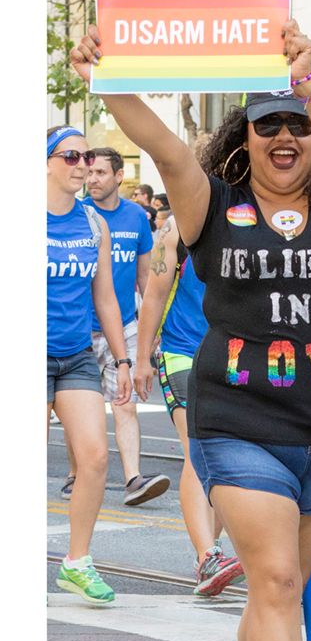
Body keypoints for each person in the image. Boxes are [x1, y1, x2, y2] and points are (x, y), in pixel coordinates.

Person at [72, 18, 311, 641]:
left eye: (298, 125)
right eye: (268, 123)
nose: (286, 134)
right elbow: (169, 151)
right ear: (246, 140)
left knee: (286, 584)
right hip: (235, 423)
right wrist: (107, 81)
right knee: (274, 578)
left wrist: (310, 84)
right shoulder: (214, 208)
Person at [134, 213, 242, 597]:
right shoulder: (178, 226)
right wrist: (142, 358)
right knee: (197, 450)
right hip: (183, 351)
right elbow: (155, 292)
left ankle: (207, 559)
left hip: (235, 356)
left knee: (229, 457)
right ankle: (208, 554)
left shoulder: (262, 218)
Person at [47, 126, 132, 604]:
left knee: (96, 458)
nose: (82, 165)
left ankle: (76, 561)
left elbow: (106, 297)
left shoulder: (92, 224)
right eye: (71, 156)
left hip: (77, 354)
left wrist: (122, 359)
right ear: (46, 162)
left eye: (88, 158)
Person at [60, 147, 171, 508]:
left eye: (100, 173)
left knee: (124, 403)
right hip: (78, 327)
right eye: (89, 173)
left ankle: (133, 478)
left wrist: (148, 332)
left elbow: (145, 278)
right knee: (76, 409)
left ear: (119, 176)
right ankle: (76, 473)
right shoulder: (78, 216)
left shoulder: (138, 217)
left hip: (121, 325)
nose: (92, 179)